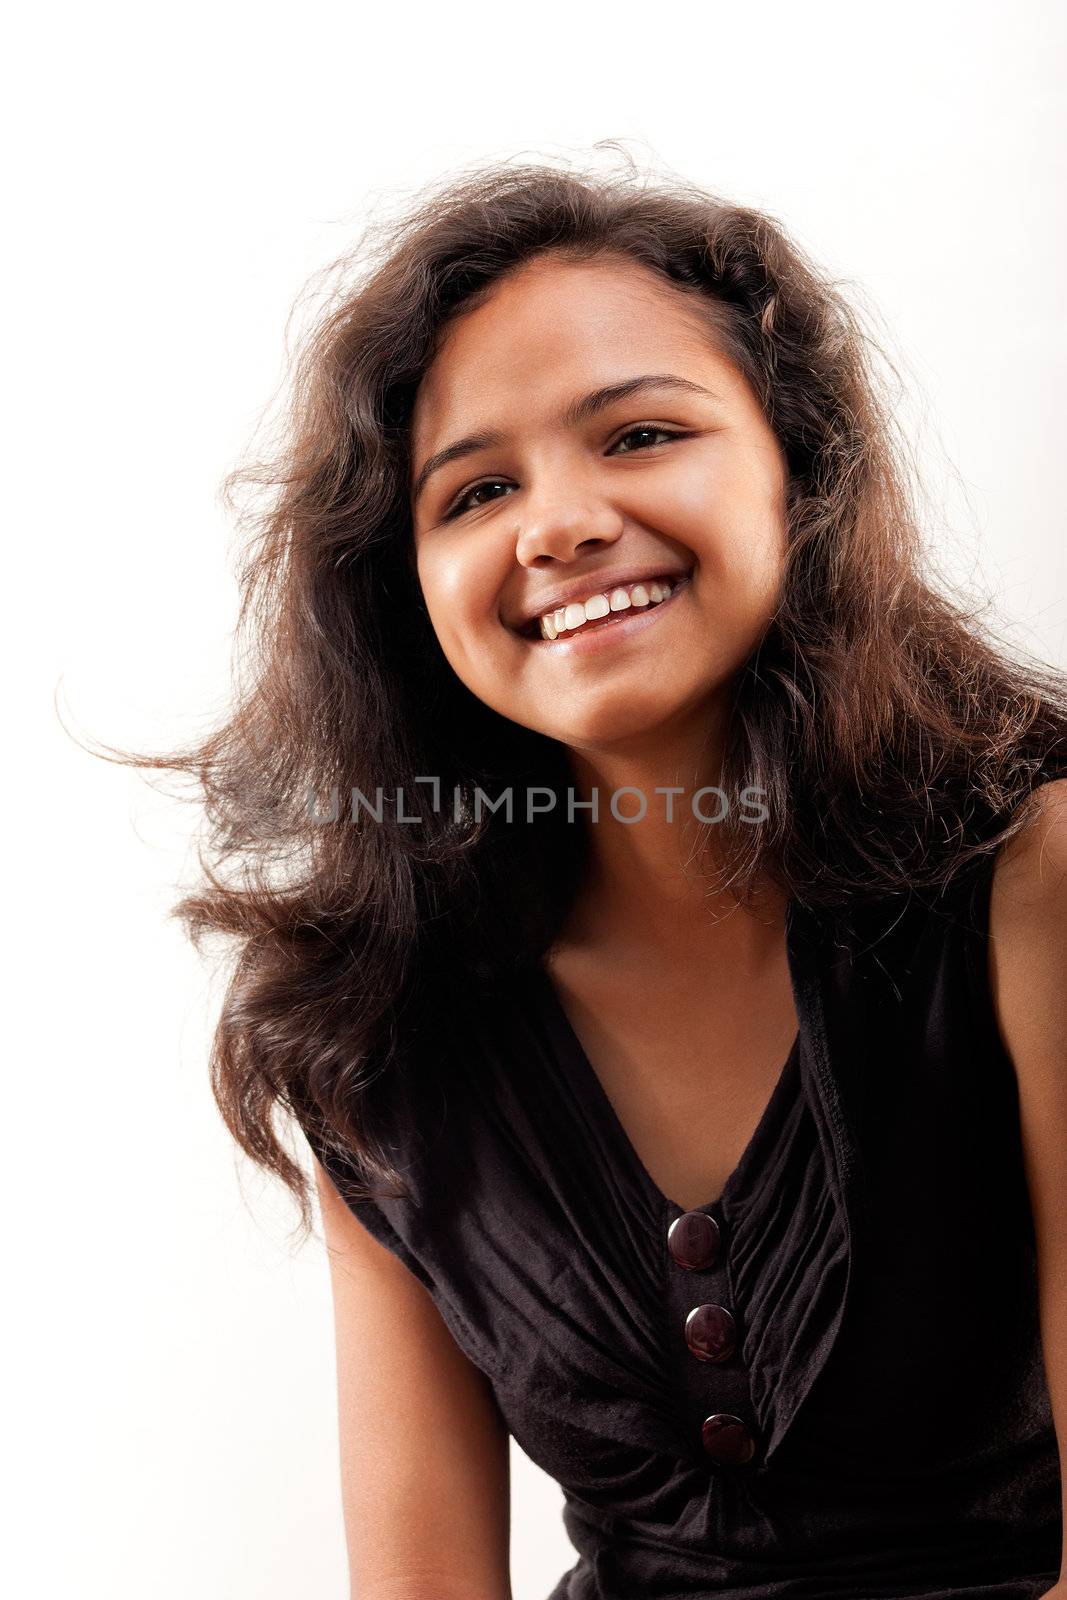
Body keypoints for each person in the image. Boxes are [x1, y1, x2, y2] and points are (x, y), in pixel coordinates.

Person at [128, 156, 1067, 1597]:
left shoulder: (1035, 872)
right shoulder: (369, 1026)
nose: (556, 522)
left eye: (635, 436)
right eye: (478, 488)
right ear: (406, 583)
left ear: (798, 465)